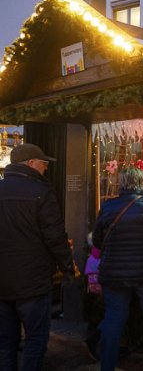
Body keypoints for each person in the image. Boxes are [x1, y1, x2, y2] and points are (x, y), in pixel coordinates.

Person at [0, 143, 76, 370]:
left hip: (2, 281)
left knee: (6, 342)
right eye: (43, 163)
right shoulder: (41, 192)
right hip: (33, 282)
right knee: (36, 339)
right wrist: (68, 267)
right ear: (31, 163)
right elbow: (55, 236)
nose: (46, 168)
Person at [92, 166, 143, 371]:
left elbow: (98, 241)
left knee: (113, 318)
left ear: (121, 183)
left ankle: (107, 366)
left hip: (114, 274)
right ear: (142, 183)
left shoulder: (108, 207)